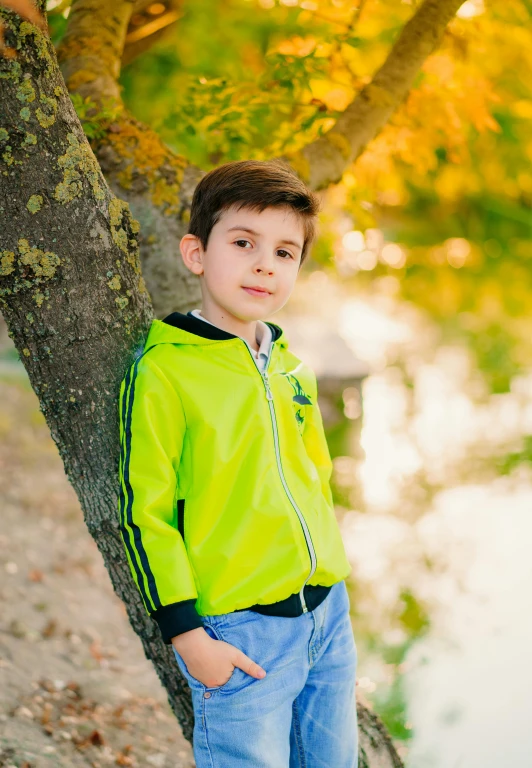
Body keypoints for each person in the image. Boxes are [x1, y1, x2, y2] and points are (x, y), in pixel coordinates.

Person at [117, 158, 358, 767]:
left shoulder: (289, 366)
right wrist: (188, 636)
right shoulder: (166, 371)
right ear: (196, 253)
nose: (264, 265)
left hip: (327, 620)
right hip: (240, 635)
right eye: (244, 242)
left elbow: (316, 481)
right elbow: (145, 515)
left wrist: (331, 579)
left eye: (285, 252)